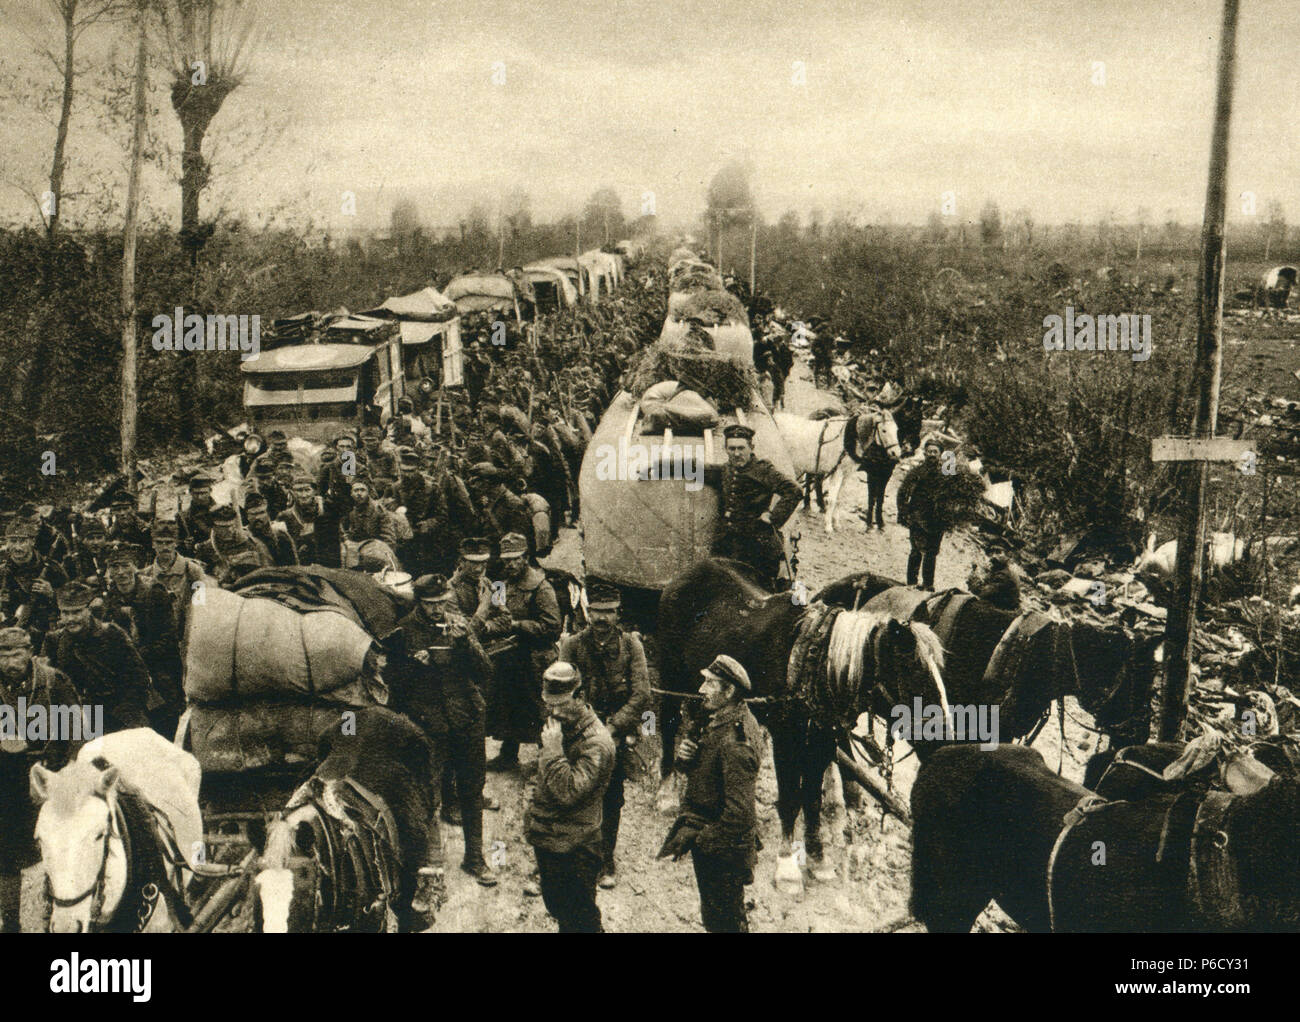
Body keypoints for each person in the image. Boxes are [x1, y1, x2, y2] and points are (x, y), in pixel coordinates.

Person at [389, 573, 498, 887]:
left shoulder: (458, 623)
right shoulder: (405, 632)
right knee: (428, 795)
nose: (437, 610)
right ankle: (429, 862)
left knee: (471, 791)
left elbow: (484, 671)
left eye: (441, 603)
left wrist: (464, 642)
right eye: (430, 604)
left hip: (466, 720)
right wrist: (414, 666)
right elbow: (393, 688)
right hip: (429, 726)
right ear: (419, 602)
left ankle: (475, 858)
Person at [659, 654, 761, 933]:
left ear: (729, 692)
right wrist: (685, 758)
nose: (702, 689)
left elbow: (739, 815)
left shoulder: (737, 743)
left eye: (710, 684)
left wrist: (703, 841)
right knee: (718, 918)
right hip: (717, 844)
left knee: (724, 922)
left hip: (723, 851)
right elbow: (705, 771)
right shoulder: (720, 720)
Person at [557, 584, 651, 888]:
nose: (602, 618)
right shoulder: (572, 644)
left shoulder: (631, 646)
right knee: (574, 793)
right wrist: (584, 728)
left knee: (612, 798)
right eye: (597, 611)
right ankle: (572, 852)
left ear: (617, 614)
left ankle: (606, 857)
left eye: (609, 612)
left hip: (615, 732)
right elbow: (561, 691)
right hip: (579, 729)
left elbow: (641, 695)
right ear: (588, 611)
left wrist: (612, 729)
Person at [523, 661, 615, 933]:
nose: (553, 711)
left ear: (581, 697)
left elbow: (568, 792)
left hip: (576, 846)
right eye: (549, 703)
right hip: (552, 838)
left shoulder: (597, 742)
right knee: (559, 908)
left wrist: (552, 751)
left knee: (581, 920)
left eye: (561, 704)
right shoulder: (562, 724)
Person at [0, 626, 80, 932]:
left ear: (30, 652)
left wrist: (71, 765)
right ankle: (10, 922)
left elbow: (78, 726)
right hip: (6, 779)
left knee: (57, 846)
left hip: (50, 770)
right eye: (4, 654)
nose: (10, 661)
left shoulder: (52, 681)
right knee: (6, 853)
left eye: (17, 653)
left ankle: (53, 914)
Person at [479, 532, 561, 771]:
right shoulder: (502, 584)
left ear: (526, 557)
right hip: (510, 656)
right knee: (508, 705)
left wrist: (518, 625)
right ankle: (508, 754)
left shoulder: (540, 587)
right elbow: (496, 613)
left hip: (536, 657)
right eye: (506, 560)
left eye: (516, 559)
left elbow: (553, 627)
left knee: (539, 709)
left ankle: (548, 760)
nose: (511, 564)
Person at [43, 582, 156, 732]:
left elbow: (139, 678)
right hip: (77, 717)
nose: (70, 618)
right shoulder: (54, 640)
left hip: (118, 713)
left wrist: (122, 715)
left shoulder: (112, 634)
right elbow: (47, 683)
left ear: (89, 610)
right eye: (65, 613)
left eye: (76, 612)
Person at [101, 542, 184, 737]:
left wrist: (137, 656)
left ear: (135, 566)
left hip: (157, 668)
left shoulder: (154, 592)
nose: (121, 572)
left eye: (125, 565)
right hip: (125, 671)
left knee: (164, 723)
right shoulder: (109, 598)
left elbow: (168, 638)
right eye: (115, 567)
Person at [710, 424, 801, 590]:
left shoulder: (763, 470)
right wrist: (661, 467)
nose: (736, 454)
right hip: (728, 542)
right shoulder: (726, 469)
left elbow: (794, 490)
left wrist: (773, 517)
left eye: (741, 448)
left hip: (755, 545)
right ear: (725, 449)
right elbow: (697, 468)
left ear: (751, 448)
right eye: (731, 449)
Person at [0, 517, 68, 652]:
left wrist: (52, 593)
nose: (17, 547)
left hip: (46, 631)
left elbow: (72, 599)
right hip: (9, 632)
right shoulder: (2, 572)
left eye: (22, 541)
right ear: (7, 543)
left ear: (32, 541)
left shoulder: (52, 568)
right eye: (13, 541)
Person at [896, 436, 949, 590]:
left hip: (937, 520)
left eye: (935, 452)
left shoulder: (945, 473)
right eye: (929, 451)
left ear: (940, 454)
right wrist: (904, 512)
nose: (932, 454)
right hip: (917, 517)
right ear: (925, 453)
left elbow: (955, 491)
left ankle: (928, 584)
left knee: (932, 552)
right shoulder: (917, 472)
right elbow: (903, 492)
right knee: (916, 550)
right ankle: (911, 583)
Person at [140, 519, 205, 624]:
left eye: (169, 542)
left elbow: (201, 605)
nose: (164, 547)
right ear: (153, 544)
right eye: (159, 543)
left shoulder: (192, 571)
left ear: (176, 543)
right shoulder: (145, 574)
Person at [195, 504, 274, 586]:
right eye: (223, 527)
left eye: (232, 525)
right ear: (213, 527)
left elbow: (267, 572)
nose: (229, 530)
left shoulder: (251, 544)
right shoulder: (206, 548)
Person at [856, 402, 900, 530]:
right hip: (876, 445)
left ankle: (878, 515)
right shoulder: (874, 417)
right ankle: (870, 515)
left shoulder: (891, 420)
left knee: (881, 490)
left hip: (887, 445)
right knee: (872, 486)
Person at [243, 492, 299, 567]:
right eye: (253, 514)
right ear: (247, 516)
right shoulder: (245, 538)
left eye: (261, 513)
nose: (258, 517)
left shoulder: (281, 535)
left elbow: (294, 565)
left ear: (268, 513)